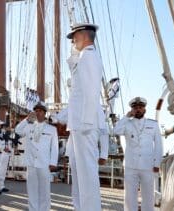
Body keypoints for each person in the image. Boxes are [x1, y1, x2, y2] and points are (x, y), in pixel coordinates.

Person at [66, 23, 103, 211]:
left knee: (87, 175)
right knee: (81, 175)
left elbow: (91, 91)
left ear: (83, 35)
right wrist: (74, 52)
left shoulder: (89, 57)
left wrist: (87, 122)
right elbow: (74, 70)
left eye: (74, 36)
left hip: (84, 124)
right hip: (79, 124)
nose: (72, 40)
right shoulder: (84, 57)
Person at [113, 97, 163, 211]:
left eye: (140, 107)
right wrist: (126, 117)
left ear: (144, 109)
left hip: (148, 165)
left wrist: (157, 163)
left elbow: (159, 145)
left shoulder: (153, 124)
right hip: (130, 165)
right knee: (129, 196)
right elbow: (115, 131)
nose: (138, 110)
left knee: (148, 195)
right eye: (135, 108)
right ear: (132, 110)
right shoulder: (126, 124)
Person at [15, 101, 58, 211]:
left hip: (44, 163)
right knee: (32, 190)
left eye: (40, 111)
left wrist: (53, 162)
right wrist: (26, 120)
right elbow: (17, 130)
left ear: (44, 113)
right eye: (36, 111)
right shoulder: (28, 127)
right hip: (31, 163)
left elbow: (54, 147)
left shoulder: (52, 129)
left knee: (44, 190)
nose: (37, 113)